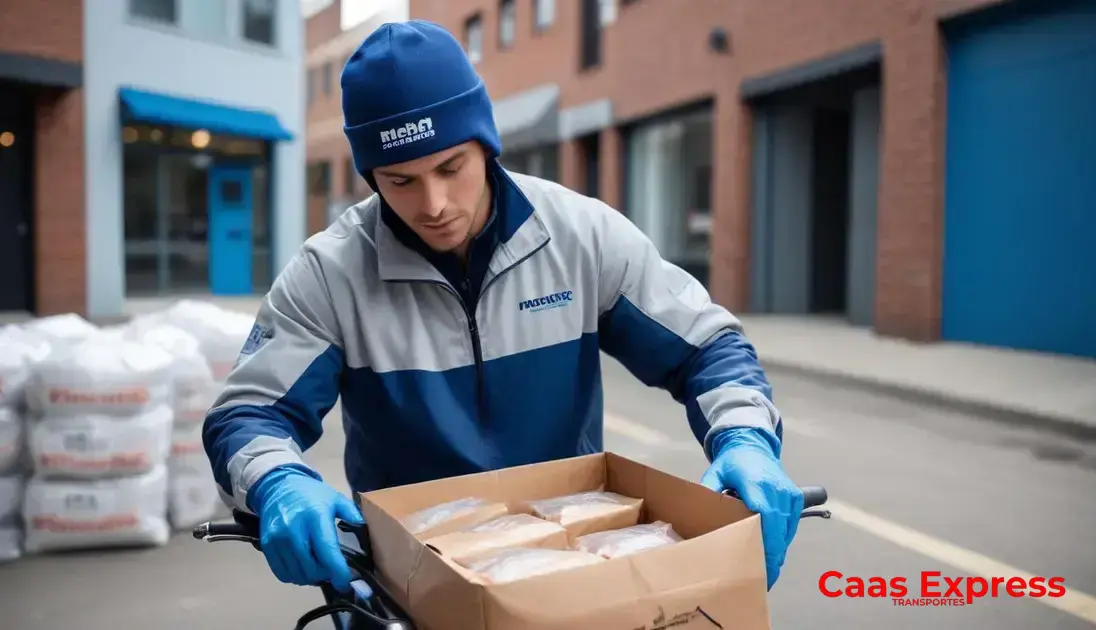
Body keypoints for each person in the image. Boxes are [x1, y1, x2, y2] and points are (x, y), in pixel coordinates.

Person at [202, 19, 803, 598]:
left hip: (571, 567)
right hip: (412, 577)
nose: (434, 204)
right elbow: (248, 416)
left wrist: (744, 438)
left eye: (450, 167)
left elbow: (706, 350)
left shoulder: (582, 237)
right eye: (400, 180)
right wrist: (278, 482)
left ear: (486, 144)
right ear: (370, 174)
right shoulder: (329, 274)